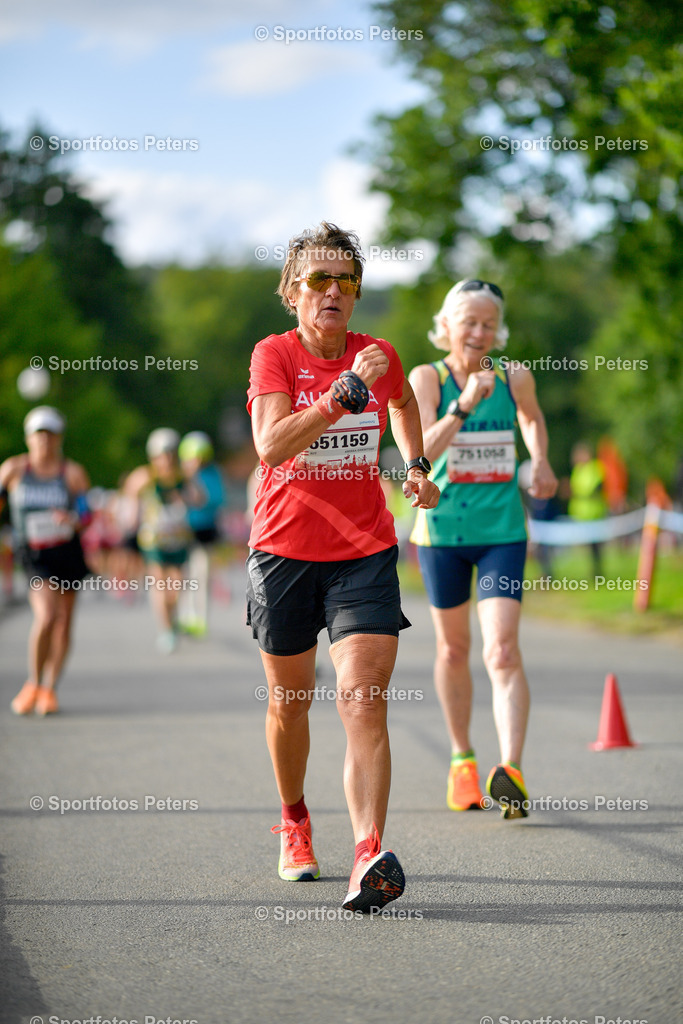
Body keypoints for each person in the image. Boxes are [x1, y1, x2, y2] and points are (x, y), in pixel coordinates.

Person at [247, 221, 439, 912]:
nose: (332, 291)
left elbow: (403, 403)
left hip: (363, 551)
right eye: (318, 280)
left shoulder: (378, 353)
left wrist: (415, 465)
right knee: (289, 703)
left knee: (362, 696)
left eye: (345, 281)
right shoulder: (273, 355)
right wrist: (335, 398)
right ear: (293, 292)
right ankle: (294, 818)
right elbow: (270, 446)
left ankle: (367, 854)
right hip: (284, 553)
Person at [408, 280, 557, 819]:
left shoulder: (515, 375)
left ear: (499, 330)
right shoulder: (427, 378)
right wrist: (465, 406)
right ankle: (462, 760)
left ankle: (510, 769)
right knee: (453, 650)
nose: (478, 332)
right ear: (445, 326)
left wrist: (539, 459)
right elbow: (418, 451)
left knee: (502, 650)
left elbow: (532, 420)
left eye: (488, 324)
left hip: (501, 532)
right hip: (443, 533)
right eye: (467, 322)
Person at [1, 406, 91, 715]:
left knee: (64, 623)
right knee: (47, 616)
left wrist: (73, 519)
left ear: (59, 439)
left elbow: (87, 515)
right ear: (28, 438)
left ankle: (49, 689)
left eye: (50, 435)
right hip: (34, 555)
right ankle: (33, 682)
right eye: (39, 435)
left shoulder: (72, 473)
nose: (44, 442)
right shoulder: (13, 470)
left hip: (66, 554)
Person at [124, 428, 196, 654]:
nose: (166, 459)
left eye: (170, 454)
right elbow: (130, 492)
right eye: (161, 455)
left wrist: (185, 496)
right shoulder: (145, 476)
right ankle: (166, 629)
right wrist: (133, 517)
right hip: (154, 540)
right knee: (159, 584)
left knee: (176, 586)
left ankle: (172, 619)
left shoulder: (182, 477)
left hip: (178, 539)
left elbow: (199, 499)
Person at [177, 431, 226, 636]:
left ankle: (201, 618)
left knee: (202, 573)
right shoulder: (180, 475)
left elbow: (212, 499)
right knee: (184, 576)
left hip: (204, 531)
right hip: (183, 532)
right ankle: (185, 615)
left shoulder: (211, 474)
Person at [569, 441, 607, 576]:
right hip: (582, 514)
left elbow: (597, 488)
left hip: (595, 513)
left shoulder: (596, 467)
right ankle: (594, 571)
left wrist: (582, 494)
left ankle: (598, 572)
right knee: (588, 548)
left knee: (596, 547)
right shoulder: (577, 470)